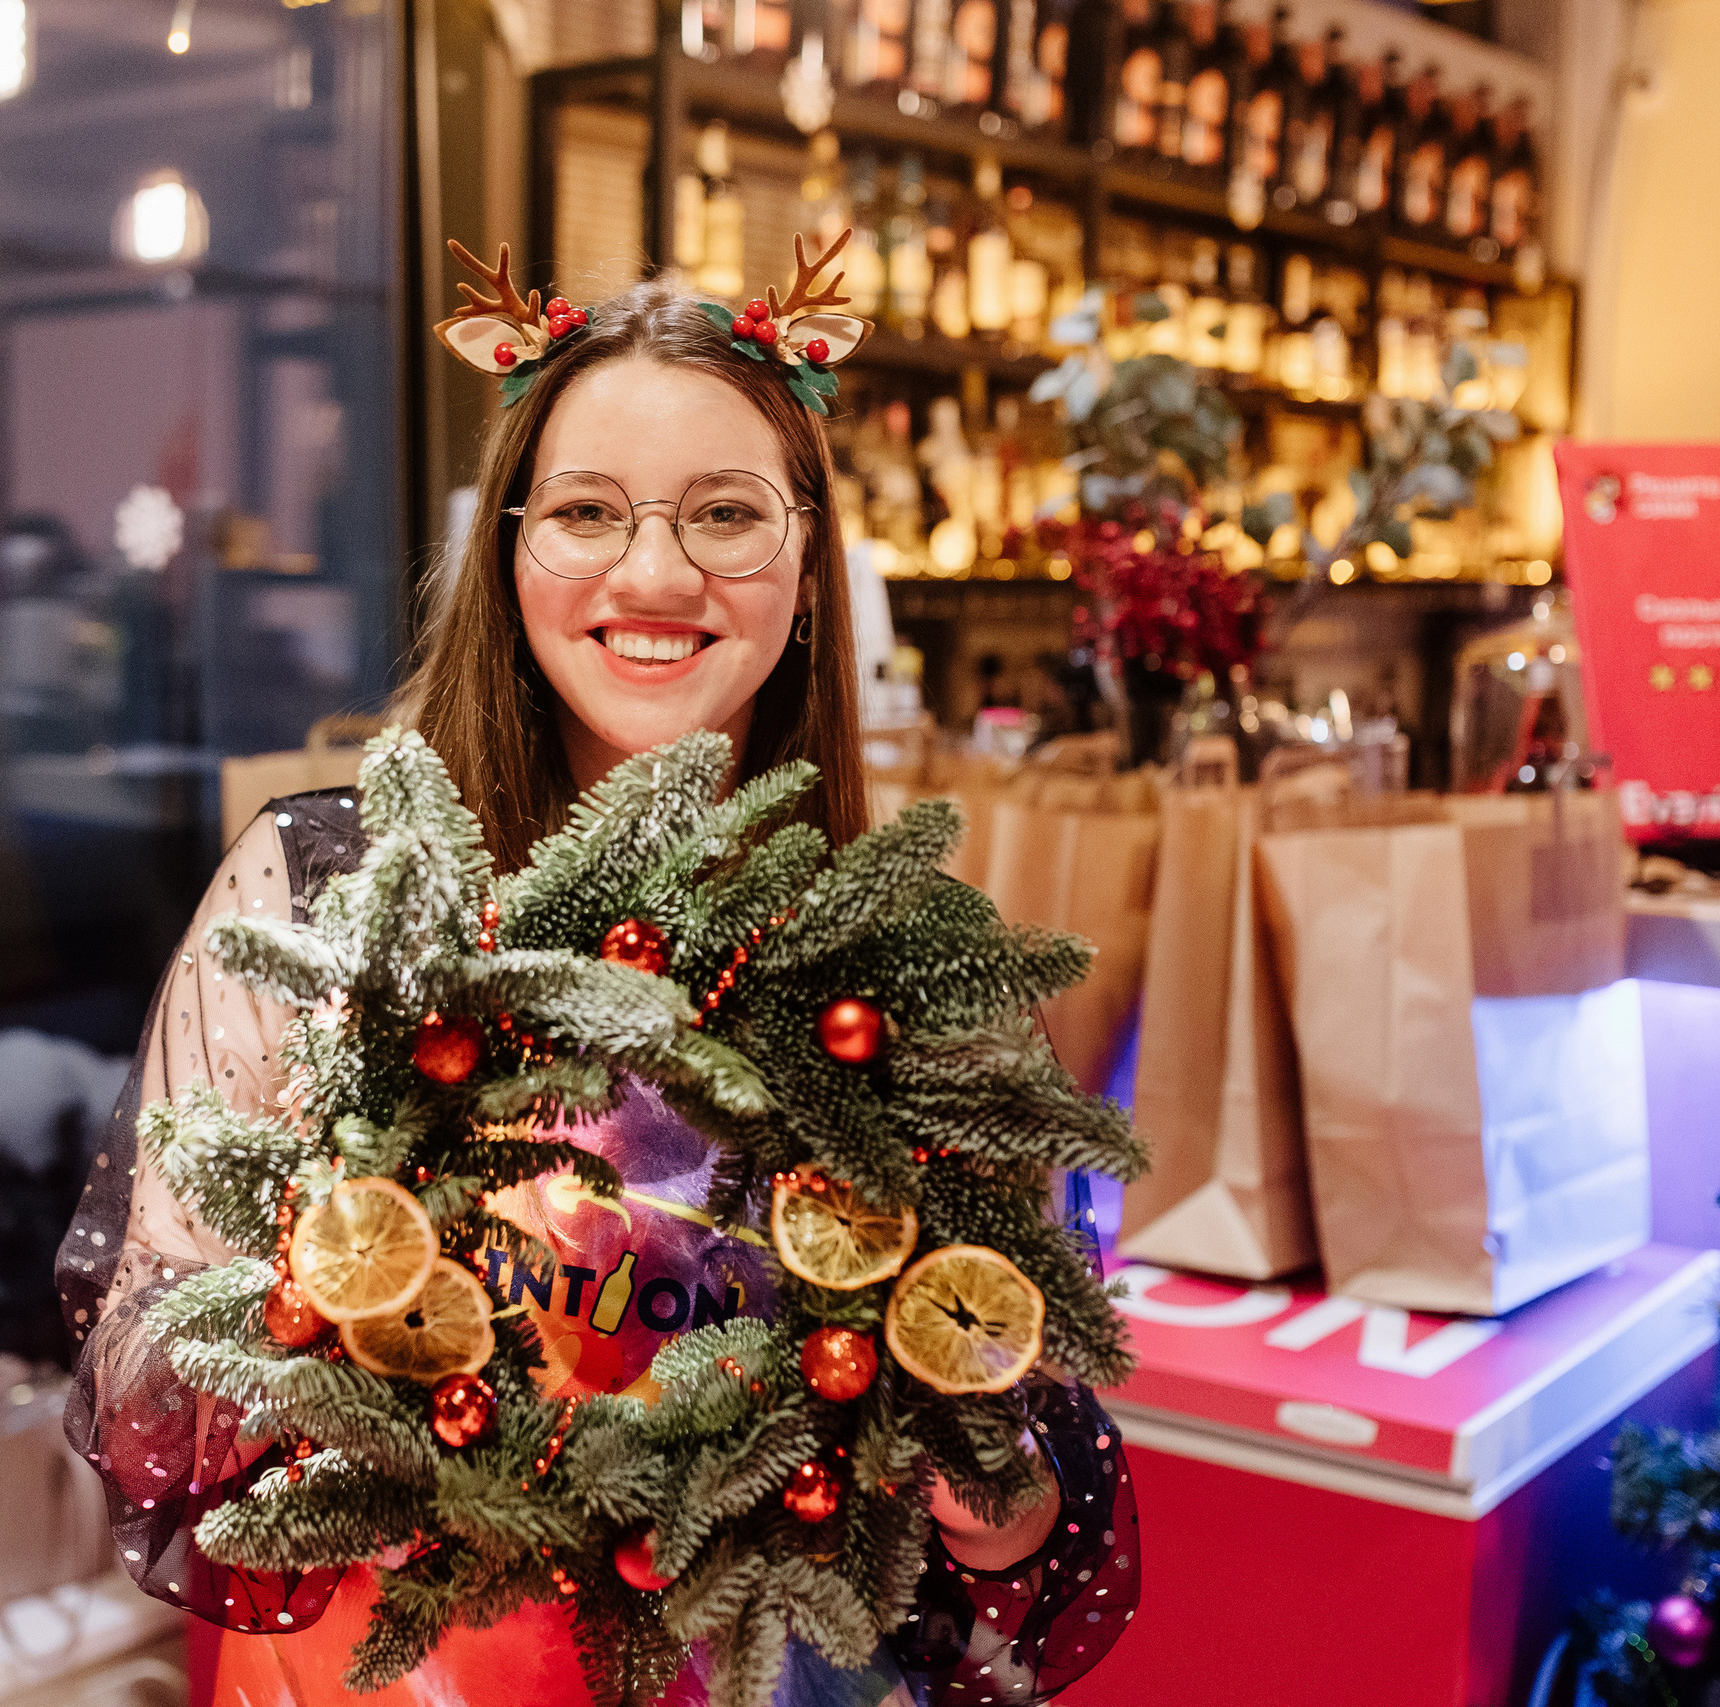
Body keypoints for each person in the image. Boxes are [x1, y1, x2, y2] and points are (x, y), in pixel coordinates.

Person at [56, 251, 1138, 1707]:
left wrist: (973, 1462)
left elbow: (1023, 1505)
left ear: (812, 568)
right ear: (510, 550)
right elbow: (146, 1362)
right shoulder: (325, 893)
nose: (652, 575)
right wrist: (327, 1329)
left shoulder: (890, 960)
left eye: (726, 517)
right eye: (585, 513)